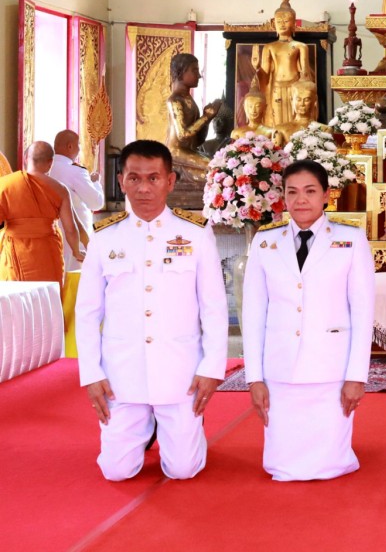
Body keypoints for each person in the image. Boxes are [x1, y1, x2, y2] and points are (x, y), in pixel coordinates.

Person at [74, 140, 227, 481]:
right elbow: (87, 312)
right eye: (134, 178)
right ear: (121, 181)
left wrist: (211, 368)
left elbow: (214, 308)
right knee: (116, 472)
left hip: (180, 374)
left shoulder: (195, 234)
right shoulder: (104, 237)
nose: (143, 188)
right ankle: (146, 429)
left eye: (153, 178)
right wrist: (92, 374)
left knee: (183, 470)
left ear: (170, 181)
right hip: (122, 374)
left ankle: (182, 427)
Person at [242, 159, 376, 481]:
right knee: (281, 465)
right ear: (283, 197)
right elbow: (253, 314)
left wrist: (356, 376)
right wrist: (255, 377)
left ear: (326, 195)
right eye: (293, 192)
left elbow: (362, 312)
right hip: (280, 368)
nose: (301, 200)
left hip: (330, 367)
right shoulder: (265, 242)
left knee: (330, 463)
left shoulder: (351, 240)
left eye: (310, 191)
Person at [0, 141, 82, 283]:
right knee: (48, 297)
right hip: (47, 253)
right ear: (50, 163)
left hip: (16, 251)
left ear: (26, 159)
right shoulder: (60, 190)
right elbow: (70, 229)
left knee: (16, 299)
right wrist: (76, 251)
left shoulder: (6, 184)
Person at [251, 0, 314, 128]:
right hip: (276, 89)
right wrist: (256, 68)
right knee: (277, 123)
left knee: (295, 122)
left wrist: (304, 89)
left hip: (295, 88)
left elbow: (305, 73)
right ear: (274, 24)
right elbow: (265, 75)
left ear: (294, 23)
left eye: (286, 21)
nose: (282, 24)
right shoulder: (269, 47)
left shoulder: (300, 46)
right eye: (279, 21)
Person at [50, 129, 105, 271]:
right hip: (75, 241)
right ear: (70, 146)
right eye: (79, 145)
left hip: (50, 238)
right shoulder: (75, 171)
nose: (80, 149)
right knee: (74, 285)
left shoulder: (45, 169)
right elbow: (96, 202)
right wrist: (96, 182)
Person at [166, 52, 222, 188]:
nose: (199, 75)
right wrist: (206, 117)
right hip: (176, 152)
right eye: (194, 70)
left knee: (220, 165)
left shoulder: (189, 99)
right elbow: (183, 135)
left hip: (190, 151)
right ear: (180, 72)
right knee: (216, 170)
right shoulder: (175, 100)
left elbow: (198, 139)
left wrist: (208, 119)